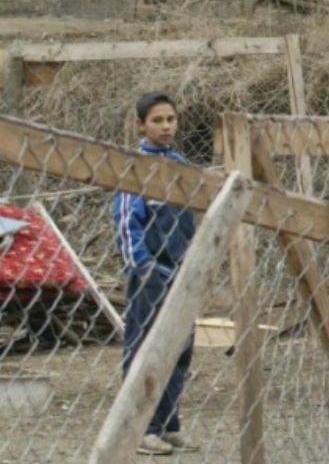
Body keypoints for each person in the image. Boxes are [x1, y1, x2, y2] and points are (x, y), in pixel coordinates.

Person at [113, 92, 200, 457]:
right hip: (151, 272)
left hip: (182, 272)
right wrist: (143, 267)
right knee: (145, 349)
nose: (166, 127)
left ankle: (168, 424)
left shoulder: (180, 164)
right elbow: (125, 223)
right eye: (157, 121)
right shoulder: (135, 168)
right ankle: (141, 428)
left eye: (171, 119)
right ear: (141, 125)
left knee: (179, 350)